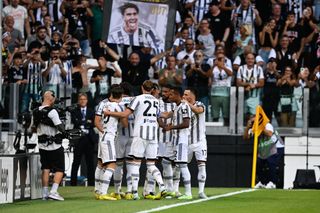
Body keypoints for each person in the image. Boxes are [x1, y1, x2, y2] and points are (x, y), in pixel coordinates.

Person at [105, 80, 168, 200]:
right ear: (152, 89)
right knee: (151, 164)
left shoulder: (137, 99)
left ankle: (131, 192)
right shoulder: (156, 101)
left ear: (141, 87)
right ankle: (162, 187)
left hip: (137, 134)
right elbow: (161, 115)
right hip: (153, 135)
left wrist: (109, 112)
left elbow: (125, 114)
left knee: (133, 163)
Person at [32, 90, 67, 201]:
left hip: (42, 145)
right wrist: (64, 132)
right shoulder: (52, 112)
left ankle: (44, 193)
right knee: (60, 169)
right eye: (53, 98)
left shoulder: (35, 111)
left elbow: (33, 127)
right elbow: (60, 127)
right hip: (55, 145)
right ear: (50, 98)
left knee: (45, 168)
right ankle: (53, 191)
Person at [94, 85, 127, 200]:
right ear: (121, 96)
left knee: (101, 163)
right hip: (109, 138)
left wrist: (103, 131)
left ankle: (97, 190)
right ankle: (103, 192)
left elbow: (96, 121)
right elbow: (125, 123)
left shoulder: (103, 104)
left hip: (103, 136)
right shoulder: (118, 106)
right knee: (112, 165)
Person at [160, 86, 192, 200]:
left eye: (172, 94)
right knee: (165, 161)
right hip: (173, 140)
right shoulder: (177, 106)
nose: (169, 96)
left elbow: (186, 123)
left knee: (183, 165)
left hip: (181, 140)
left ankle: (188, 193)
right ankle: (170, 189)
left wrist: (171, 127)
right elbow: (167, 114)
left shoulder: (184, 106)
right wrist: (157, 113)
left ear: (178, 95)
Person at [182, 88, 208, 199]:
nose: (183, 96)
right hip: (186, 141)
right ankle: (179, 190)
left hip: (200, 141)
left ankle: (201, 192)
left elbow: (198, 111)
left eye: (186, 94)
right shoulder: (183, 106)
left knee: (202, 166)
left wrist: (187, 104)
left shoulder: (200, 104)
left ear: (192, 96)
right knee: (181, 165)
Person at [244, 115, 280, 189]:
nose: (254, 122)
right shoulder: (253, 127)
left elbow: (269, 134)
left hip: (272, 147)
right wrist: (248, 127)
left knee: (271, 164)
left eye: (254, 121)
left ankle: (273, 182)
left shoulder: (267, 125)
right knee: (258, 165)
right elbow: (246, 137)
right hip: (263, 149)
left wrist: (260, 126)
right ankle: (261, 182)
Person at [70, 93, 97, 186]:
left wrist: (82, 122)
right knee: (76, 162)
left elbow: (93, 123)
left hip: (89, 139)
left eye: (84, 99)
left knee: (90, 163)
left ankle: (91, 184)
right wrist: (86, 122)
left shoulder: (91, 111)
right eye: (81, 99)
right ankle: (73, 184)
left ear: (87, 101)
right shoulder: (74, 111)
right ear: (78, 101)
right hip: (78, 139)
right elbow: (75, 122)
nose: (82, 101)